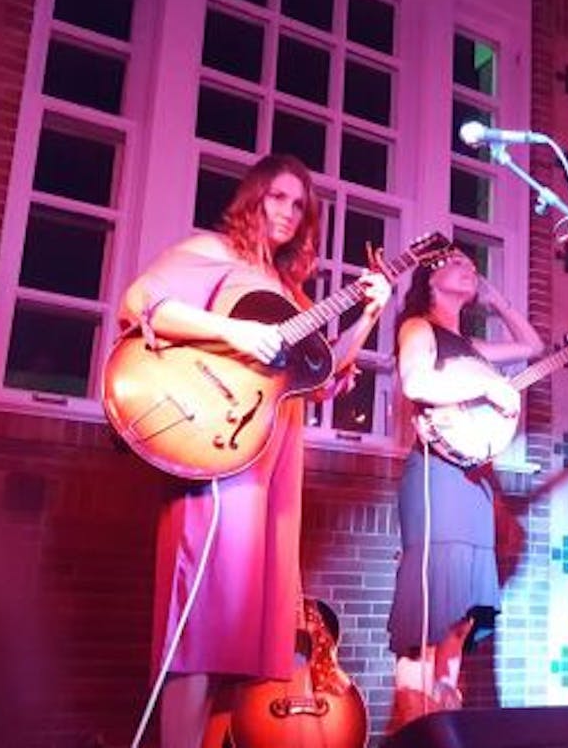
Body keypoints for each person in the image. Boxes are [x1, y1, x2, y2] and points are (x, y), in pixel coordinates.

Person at [117, 154, 391, 748]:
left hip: (275, 460)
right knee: (202, 629)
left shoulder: (290, 292)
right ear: (253, 198)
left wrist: (371, 311)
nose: (289, 213)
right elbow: (141, 302)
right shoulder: (216, 252)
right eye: (278, 198)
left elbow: (322, 378)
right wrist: (237, 332)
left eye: (300, 205)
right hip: (222, 449)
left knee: (245, 637)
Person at [385, 249, 543, 733]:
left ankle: (443, 727)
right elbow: (415, 380)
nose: (468, 267)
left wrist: (495, 298)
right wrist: (490, 388)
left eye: (473, 265)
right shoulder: (417, 328)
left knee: (458, 619)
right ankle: (413, 732)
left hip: (474, 482)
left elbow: (532, 345)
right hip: (435, 474)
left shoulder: (469, 344)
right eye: (455, 262)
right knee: (427, 620)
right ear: (431, 280)